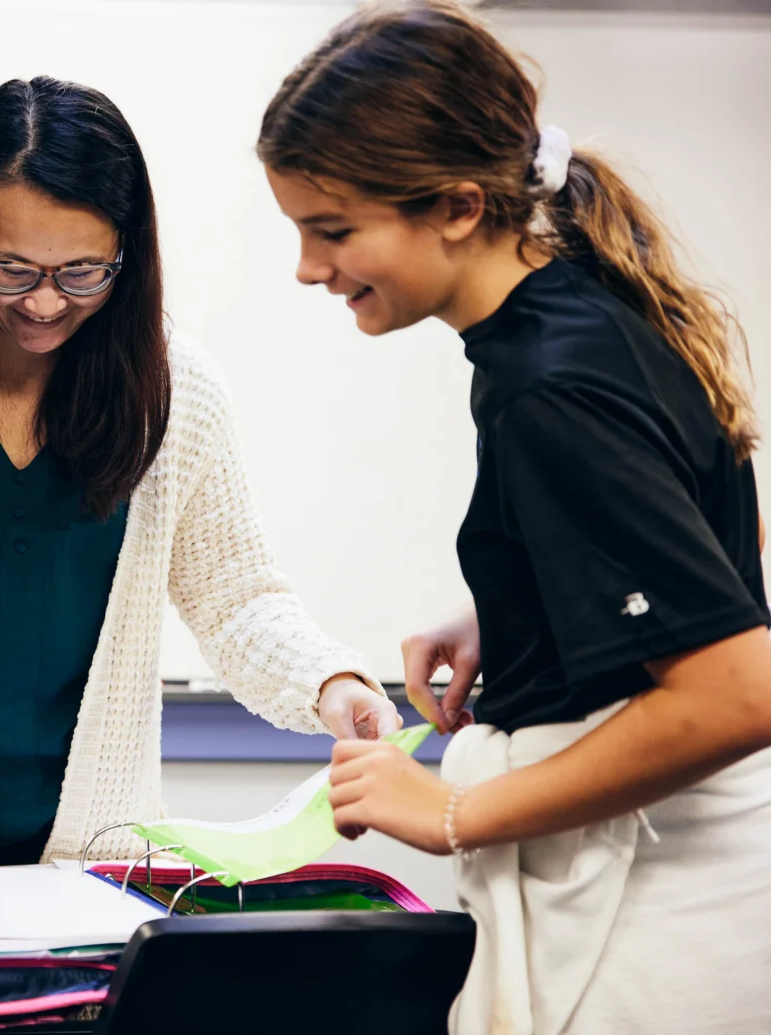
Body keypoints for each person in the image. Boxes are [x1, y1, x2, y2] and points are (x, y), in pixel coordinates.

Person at [258, 3, 771, 1032]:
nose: (310, 268)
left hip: (658, 912)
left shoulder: (547, 384)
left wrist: (452, 814)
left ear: (454, 206)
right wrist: (518, 599)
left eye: (335, 229)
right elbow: (710, 541)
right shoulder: (576, 300)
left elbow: (740, 693)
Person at [0, 76, 400, 886]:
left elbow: (236, 594)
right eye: (10, 268)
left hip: (85, 861)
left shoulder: (175, 392)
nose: (42, 301)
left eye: (80, 273)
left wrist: (329, 682)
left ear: (126, 256)